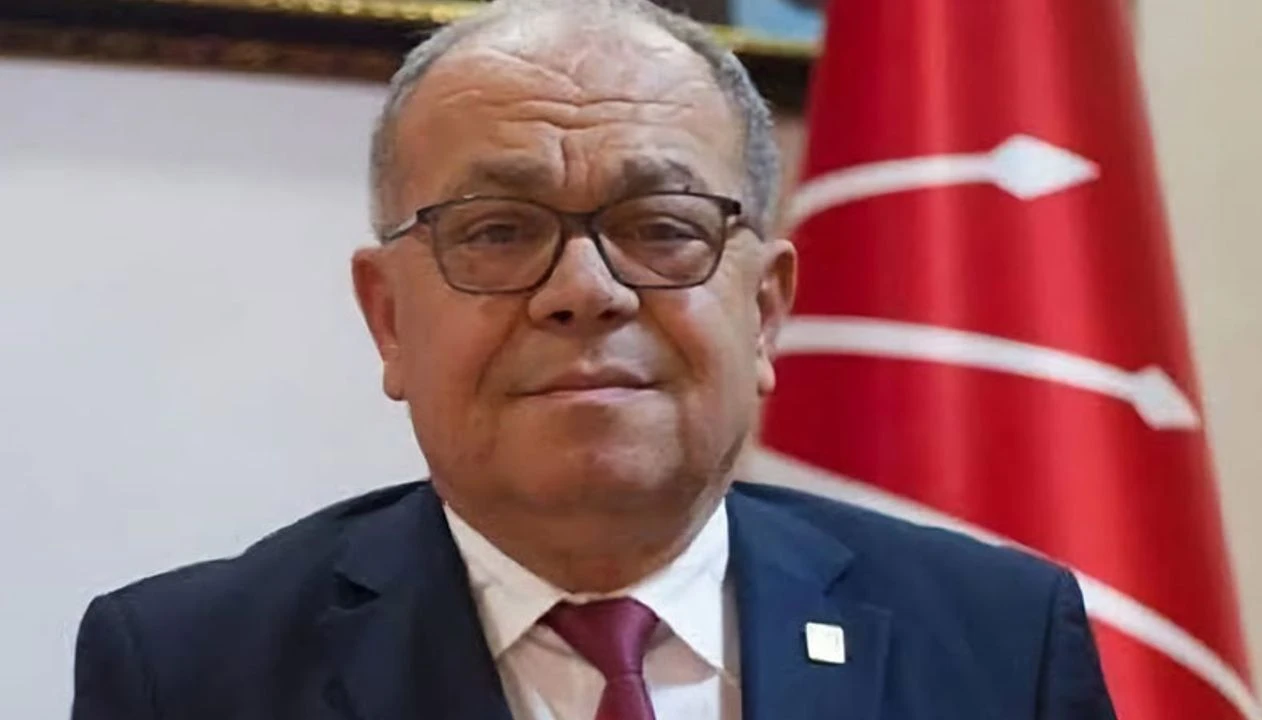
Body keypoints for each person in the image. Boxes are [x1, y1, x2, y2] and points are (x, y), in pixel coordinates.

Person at [70, 0, 1117, 718]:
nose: (584, 289)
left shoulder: (996, 641)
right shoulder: (188, 671)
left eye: (661, 227)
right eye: (496, 231)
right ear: (388, 320)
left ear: (763, 312)